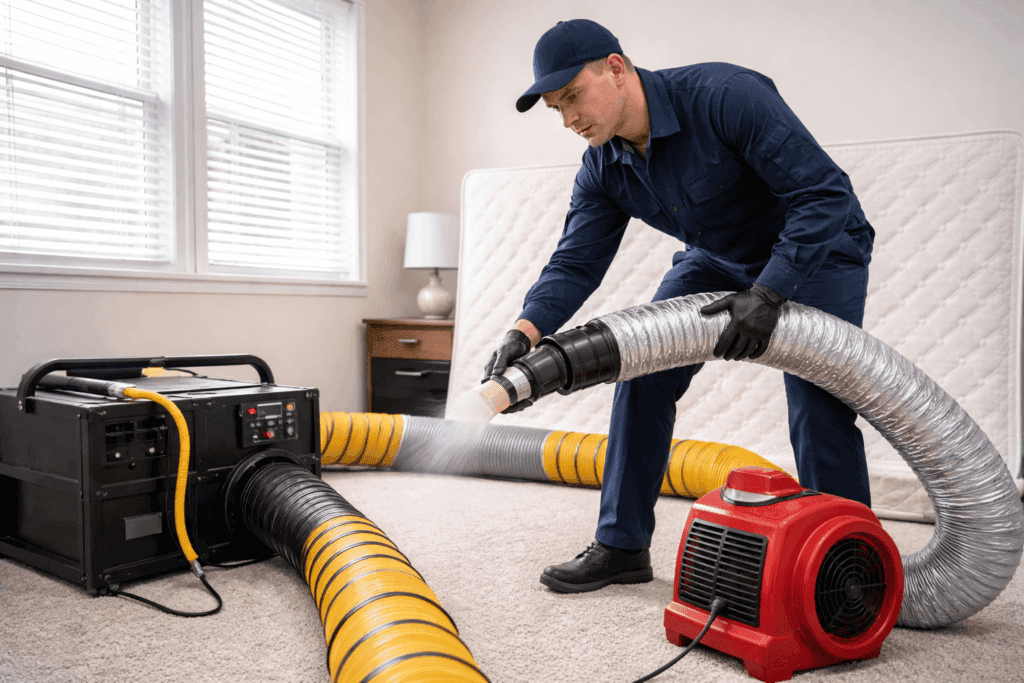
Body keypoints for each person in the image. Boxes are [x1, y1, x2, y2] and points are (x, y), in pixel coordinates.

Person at [483, 19, 874, 593]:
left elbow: (824, 195)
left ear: (616, 69)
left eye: (573, 96)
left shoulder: (725, 96)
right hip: (718, 258)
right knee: (643, 367)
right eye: (556, 108)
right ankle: (621, 546)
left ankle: (851, 569)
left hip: (818, 249)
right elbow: (575, 263)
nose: (568, 119)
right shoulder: (602, 165)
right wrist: (524, 331)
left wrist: (770, 291)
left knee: (818, 401)